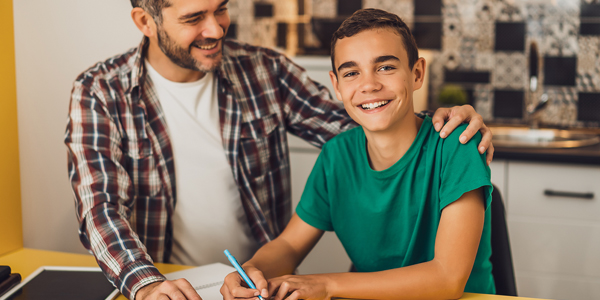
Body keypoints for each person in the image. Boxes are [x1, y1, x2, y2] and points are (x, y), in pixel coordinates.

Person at [64, 1, 494, 299]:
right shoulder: (100, 91)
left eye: (221, 9)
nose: (215, 29)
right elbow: (99, 206)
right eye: (195, 17)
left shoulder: (263, 70)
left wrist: (448, 123)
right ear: (145, 20)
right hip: (168, 283)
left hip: (254, 283)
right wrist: (146, 284)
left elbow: (375, 120)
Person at [221, 8, 495, 300]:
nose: (369, 85)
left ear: (416, 74)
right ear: (336, 86)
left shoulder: (458, 145)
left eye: (386, 67)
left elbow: (447, 278)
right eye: (351, 73)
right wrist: (251, 270)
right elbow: (289, 245)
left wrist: (325, 284)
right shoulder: (336, 156)